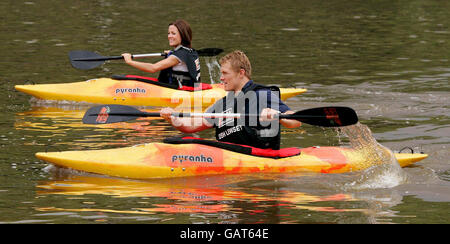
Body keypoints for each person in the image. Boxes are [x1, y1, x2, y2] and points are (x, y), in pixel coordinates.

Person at [160, 50, 301, 150]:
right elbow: (191, 126)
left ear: (241, 73)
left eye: (225, 73)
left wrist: (278, 116)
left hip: (260, 159)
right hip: (230, 154)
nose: (221, 78)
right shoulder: (222, 104)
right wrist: (173, 119)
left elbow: (295, 121)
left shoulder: (262, 94)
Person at [121, 19, 201, 88]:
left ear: (183, 35)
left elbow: (153, 68)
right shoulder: (189, 51)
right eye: (168, 33)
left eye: (173, 33)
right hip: (189, 89)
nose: (169, 36)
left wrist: (130, 61)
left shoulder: (177, 56)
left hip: (181, 92)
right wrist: (171, 53)